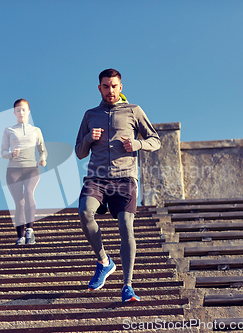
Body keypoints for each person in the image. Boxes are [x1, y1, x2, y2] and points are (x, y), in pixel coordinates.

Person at [75, 69, 161, 302]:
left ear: (120, 87)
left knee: (126, 226)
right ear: (99, 88)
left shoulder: (134, 110)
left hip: (125, 178)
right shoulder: (90, 114)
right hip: (97, 178)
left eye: (114, 86)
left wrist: (137, 144)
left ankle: (127, 286)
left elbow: (155, 140)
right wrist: (88, 139)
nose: (110, 90)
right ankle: (104, 261)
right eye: (105, 86)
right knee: (84, 212)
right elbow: (79, 152)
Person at [1, 99, 47, 245]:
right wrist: (10, 154)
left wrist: (43, 159)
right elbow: (2, 151)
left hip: (31, 168)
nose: (21, 112)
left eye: (24, 109)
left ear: (28, 111)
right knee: (19, 203)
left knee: (28, 193)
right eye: (18, 110)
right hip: (13, 170)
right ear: (14, 113)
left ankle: (30, 230)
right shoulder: (9, 130)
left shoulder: (36, 130)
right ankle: (20, 236)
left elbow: (42, 149)